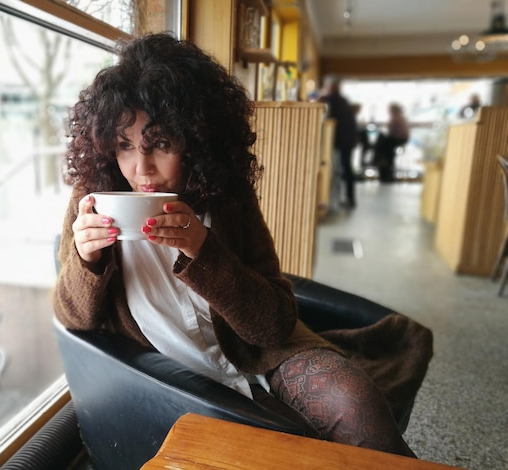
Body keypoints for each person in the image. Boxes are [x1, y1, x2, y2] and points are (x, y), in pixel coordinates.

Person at [53, 32, 429, 458]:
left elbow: (275, 324)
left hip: (261, 353)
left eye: (160, 143)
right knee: (300, 450)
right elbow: (72, 318)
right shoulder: (94, 199)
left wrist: (203, 251)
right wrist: (88, 260)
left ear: (195, 139)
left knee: (357, 404)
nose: (141, 169)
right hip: (178, 380)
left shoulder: (226, 196)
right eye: (123, 146)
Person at [319, 76, 358, 209]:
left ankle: (339, 201)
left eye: (327, 86)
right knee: (346, 169)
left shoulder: (332, 100)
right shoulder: (342, 100)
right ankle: (348, 199)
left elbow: (320, 105)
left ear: (331, 87)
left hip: (342, 141)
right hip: (348, 140)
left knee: (340, 170)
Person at [374, 103, 409, 183]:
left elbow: (393, 132)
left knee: (381, 145)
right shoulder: (400, 118)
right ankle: (384, 166)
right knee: (383, 143)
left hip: (397, 140)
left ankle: (383, 168)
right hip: (397, 140)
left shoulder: (397, 118)